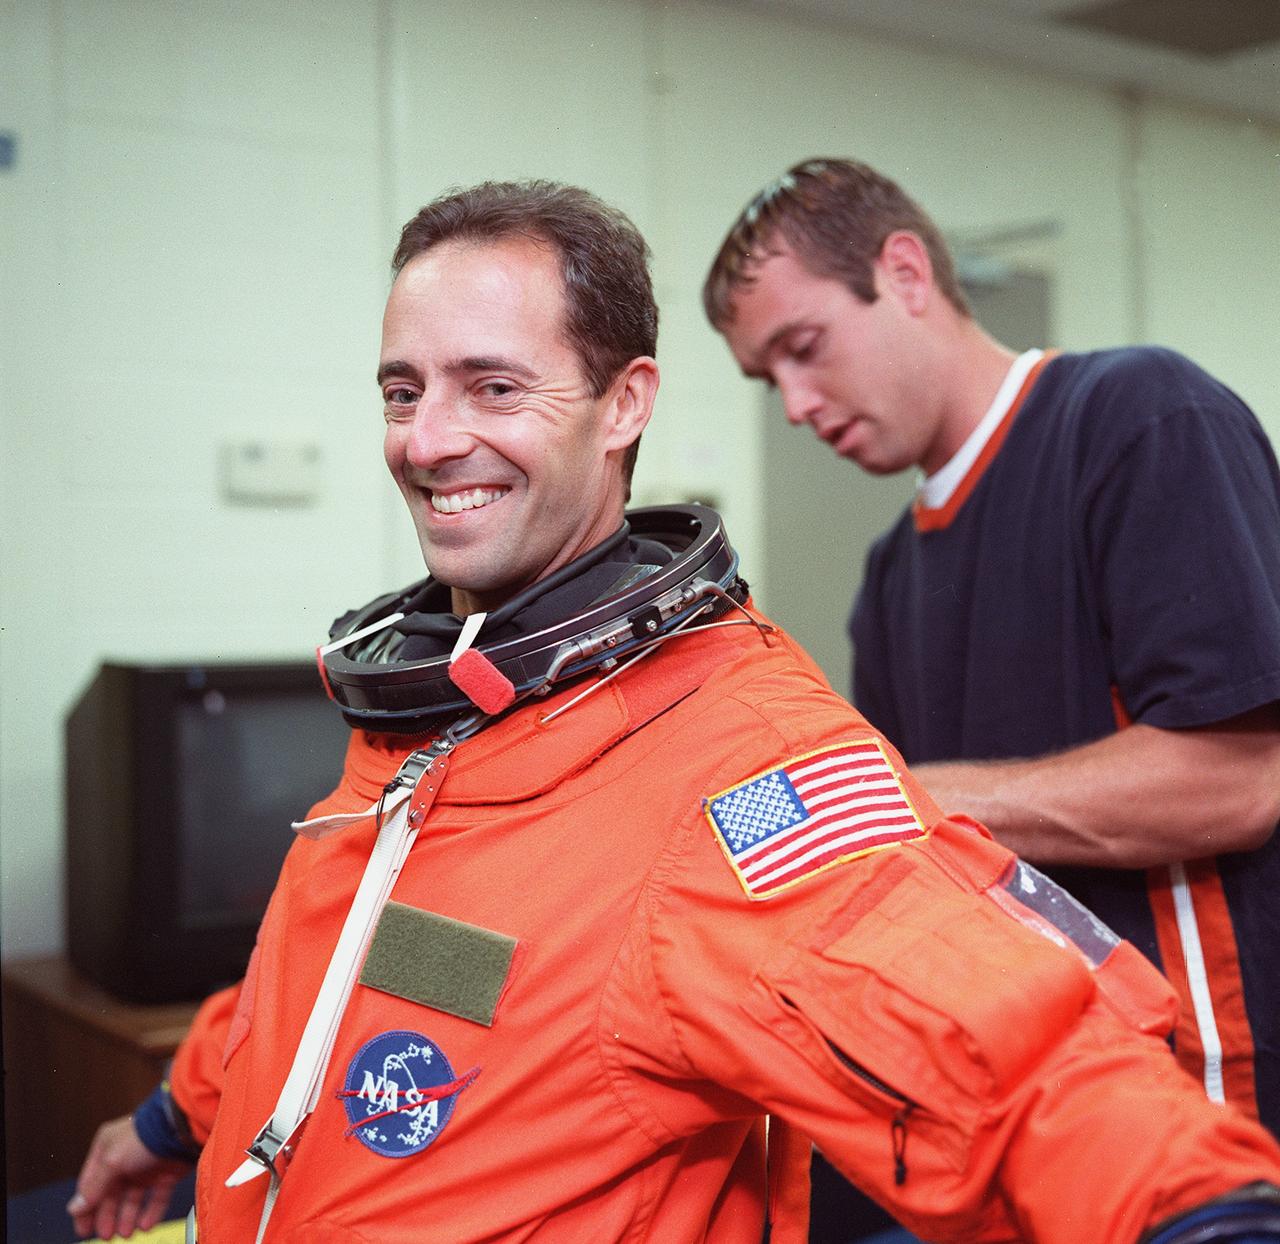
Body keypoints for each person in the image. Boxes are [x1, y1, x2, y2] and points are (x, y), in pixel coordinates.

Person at [71, 180, 1280, 1244]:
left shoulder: (726, 748)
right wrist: (171, 1115)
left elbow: (999, 1044)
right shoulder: (426, 723)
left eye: (493, 384)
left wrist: (1202, 1209)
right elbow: (349, 951)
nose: (428, 439)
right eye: (402, 390)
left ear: (623, 403)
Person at [704, 157, 1280, 1233]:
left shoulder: (1139, 416)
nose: (793, 404)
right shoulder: (889, 578)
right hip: (1033, 1126)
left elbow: (1239, 777)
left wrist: (899, 799)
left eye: (802, 347)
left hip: (1211, 1114)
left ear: (906, 272)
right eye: (764, 377)